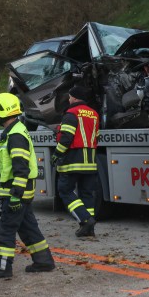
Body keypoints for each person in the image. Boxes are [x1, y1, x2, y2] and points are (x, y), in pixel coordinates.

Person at [0, 92, 55, 279]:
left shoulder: (15, 135)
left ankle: (2, 267)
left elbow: (20, 168)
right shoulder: (14, 132)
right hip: (17, 191)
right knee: (28, 228)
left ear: (2, 111)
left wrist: (16, 194)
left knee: (4, 230)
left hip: (15, 192)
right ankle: (44, 261)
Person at [51, 84, 100, 237]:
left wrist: (56, 154)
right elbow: (96, 136)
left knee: (65, 191)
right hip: (90, 162)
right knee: (87, 194)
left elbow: (66, 139)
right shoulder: (94, 114)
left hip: (72, 161)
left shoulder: (71, 113)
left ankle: (85, 220)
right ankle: (88, 227)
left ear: (74, 97)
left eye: (70, 96)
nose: (69, 99)